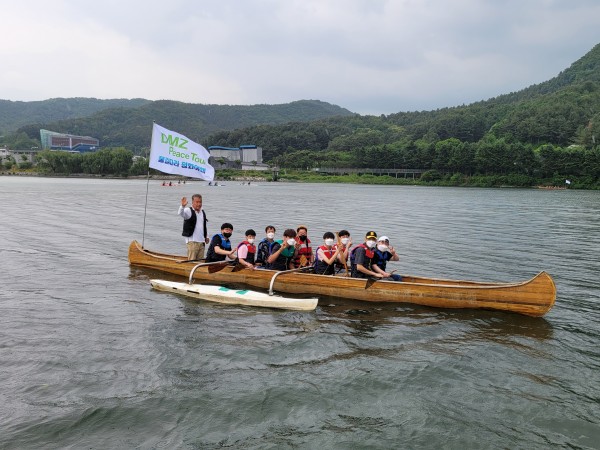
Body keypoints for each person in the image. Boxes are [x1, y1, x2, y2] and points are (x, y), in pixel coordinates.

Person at [178, 194, 208, 260]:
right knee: (192, 262)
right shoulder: (188, 210)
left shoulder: (202, 212)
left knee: (200, 262)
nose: (199, 204)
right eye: (197, 202)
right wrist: (182, 206)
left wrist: (206, 236)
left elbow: (203, 226)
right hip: (192, 242)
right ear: (192, 202)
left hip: (201, 242)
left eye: (200, 202)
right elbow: (180, 213)